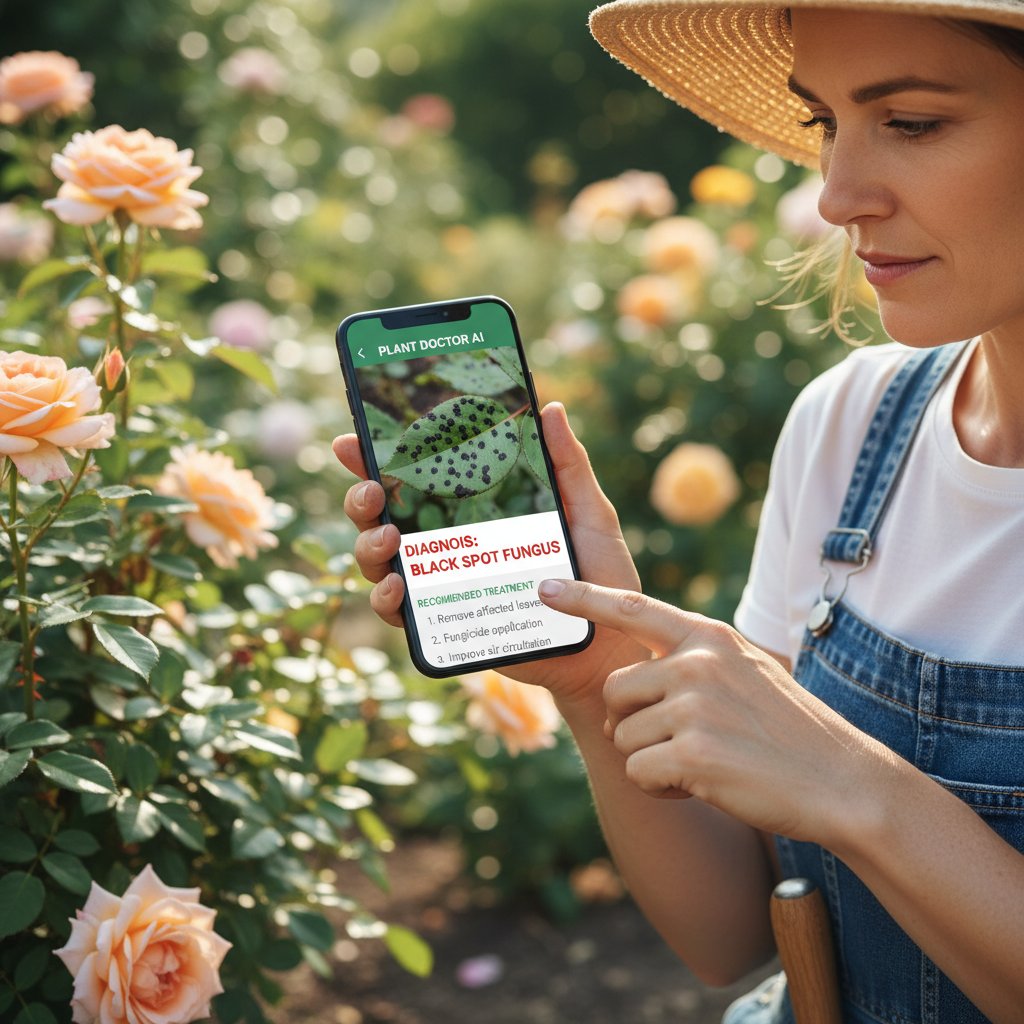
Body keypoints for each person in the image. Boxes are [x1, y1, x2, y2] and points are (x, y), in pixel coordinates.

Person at [333, 1, 1024, 1020]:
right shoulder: (852, 428)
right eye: (825, 123)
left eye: (911, 123)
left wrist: (858, 789)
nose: (835, 196)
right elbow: (733, 932)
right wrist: (598, 670)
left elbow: (840, 794)